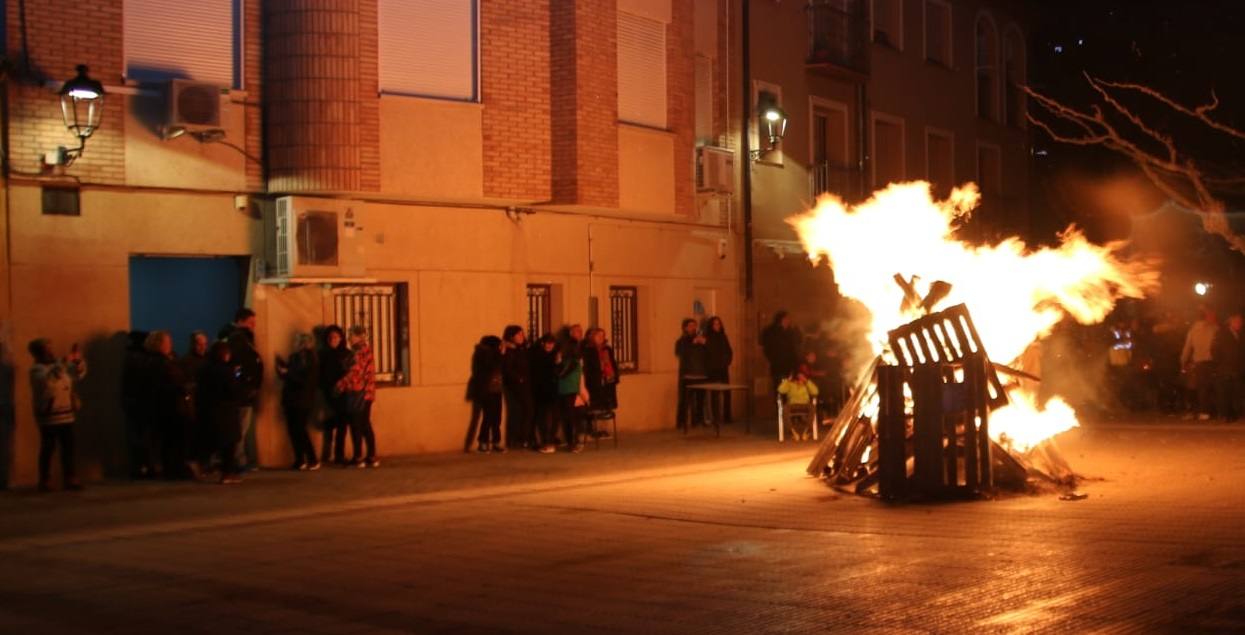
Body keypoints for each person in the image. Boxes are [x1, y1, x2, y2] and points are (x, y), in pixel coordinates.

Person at [28, 338, 86, 491]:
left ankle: (70, 477)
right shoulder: (37, 370)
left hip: (67, 414)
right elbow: (49, 381)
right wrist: (64, 362)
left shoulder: (58, 366)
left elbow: (77, 374)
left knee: (68, 448)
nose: (50, 351)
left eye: (50, 348)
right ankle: (45, 479)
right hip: (49, 416)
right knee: (48, 448)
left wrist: (77, 360)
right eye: (46, 349)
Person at [146, 331, 193, 479]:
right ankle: (174, 469)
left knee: (171, 440)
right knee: (173, 441)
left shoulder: (159, 361)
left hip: (168, 406)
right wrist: (185, 387)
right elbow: (170, 383)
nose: (170, 345)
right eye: (167, 342)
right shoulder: (161, 363)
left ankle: (172, 468)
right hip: (171, 407)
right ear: (159, 344)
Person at [197, 341, 246, 484]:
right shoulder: (225, 371)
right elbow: (234, 391)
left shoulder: (204, 369)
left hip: (208, 410)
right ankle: (227, 473)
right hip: (226, 411)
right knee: (229, 444)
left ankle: (203, 467)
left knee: (210, 441)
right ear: (224, 354)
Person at [223, 308, 263, 470]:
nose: (253, 326)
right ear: (240, 321)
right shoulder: (238, 339)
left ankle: (240, 459)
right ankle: (238, 461)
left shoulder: (239, 338)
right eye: (250, 322)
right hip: (243, 393)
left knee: (241, 428)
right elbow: (241, 365)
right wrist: (247, 383)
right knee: (240, 428)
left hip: (245, 391)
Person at [277, 333, 321, 470]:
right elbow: (289, 376)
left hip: (302, 400)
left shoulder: (311, 360)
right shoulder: (295, 357)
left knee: (300, 430)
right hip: (291, 399)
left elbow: (305, 381)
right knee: (294, 430)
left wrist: (287, 372)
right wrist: (282, 370)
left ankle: (312, 459)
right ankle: (300, 459)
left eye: (300, 342)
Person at [336, 325, 378, 467]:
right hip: (368, 392)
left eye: (351, 335)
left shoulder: (358, 351)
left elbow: (355, 372)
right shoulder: (366, 350)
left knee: (356, 425)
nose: (349, 338)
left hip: (358, 392)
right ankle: (371, 456)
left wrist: (340, 385)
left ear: (359, 336)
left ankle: (358, 456)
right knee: (365, 424)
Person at [121, 330, 155, 479]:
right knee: (142, 437)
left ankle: (139, 467)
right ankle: (143, 467)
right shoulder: (142, 359)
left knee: (135, 436)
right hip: (140, 402)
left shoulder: (130, 358)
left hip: (132, 402)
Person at [319, 325, 352, 465]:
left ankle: (338, 454)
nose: (333, 340)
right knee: (340, 422)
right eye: (331, 337)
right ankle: (337, 455)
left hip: (344, 392)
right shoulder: (324, 354)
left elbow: (351, 372)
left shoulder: (346, 353)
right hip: (330, 393)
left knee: (342, 423)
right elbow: (321, 374)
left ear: (341, 338)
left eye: (336, 337)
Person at [468, 335, 505, 453]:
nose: (501, 347)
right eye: (499, 345)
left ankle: (495, 441)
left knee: (497, 417)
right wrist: (500, 353)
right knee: (488, 416)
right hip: (486, 390)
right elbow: (491, 366)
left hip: (497, 389)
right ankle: (483, 442)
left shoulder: (494, 354)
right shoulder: (483, 354)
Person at [555, 326, 589, 453]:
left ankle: (576, 442)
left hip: (572, 391)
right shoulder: (571, 361)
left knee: (574, 417)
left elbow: (562, 374)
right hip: (566, 390)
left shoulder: (573, 362)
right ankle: (572, 442)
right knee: (569, 417)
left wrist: (582, 391)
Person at [1181, 307, 1219, 420]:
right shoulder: (1214, 329)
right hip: (1211, 361)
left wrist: (1183, 361)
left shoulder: (1193, 330)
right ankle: (1206, 411)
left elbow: (1187, 348)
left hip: (1198, 362)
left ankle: (1194, 411)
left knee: (1196, 387)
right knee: (1208, 388)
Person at [180, 331, 210, 474]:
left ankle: (204, 463)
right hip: (193, 405)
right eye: (200, 344)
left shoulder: (208, 360)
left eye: (205, 344)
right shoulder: (186, 362)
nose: (203, 347)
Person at [501, 325, 535, 450]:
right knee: (521, 411)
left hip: (526, 384)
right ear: (511, 336)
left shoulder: (523, 349)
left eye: (522, 334)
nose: (522, 336)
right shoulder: (510, 351)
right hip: (517, 386)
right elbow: (507, 369)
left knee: (526, 411)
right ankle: (518, 439)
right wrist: (519, 379)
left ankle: (523, 438)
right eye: (519, 334)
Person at [582, 327, 620, 438]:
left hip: (608, 380)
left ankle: (603, 430)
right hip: (594, 381)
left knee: (606, 405)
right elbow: (587, 368)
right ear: (593, 337)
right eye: (599, 336)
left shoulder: (607, 349)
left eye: (603, 336)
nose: (601, 338)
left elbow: (612, 363)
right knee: (593, 405)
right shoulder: (588, 350)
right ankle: (591, 430)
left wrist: (614, 376)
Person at [529, 333, 560, 454]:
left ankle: (550, 440)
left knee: (554, 416)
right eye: (547, 343)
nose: (549, 346)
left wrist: (557, 363)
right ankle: (545, 441)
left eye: (552, 343)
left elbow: (557, 372)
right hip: (541, 390)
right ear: (542, 344)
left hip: (552, 390)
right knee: (544, 417)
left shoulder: (554, 355)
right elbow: (539, 372)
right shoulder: (537, 355)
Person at [674, 318, 708, 428]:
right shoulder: (681, 341)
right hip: (687, 375)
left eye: (695, 325)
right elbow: (680, 353)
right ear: (685, 328)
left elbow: (708, 353)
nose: (693, 328)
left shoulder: (701, 340)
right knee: (684, 400)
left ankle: (698, 420)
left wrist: (704, 343)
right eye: (691, 325)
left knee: (700, 400)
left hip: (701, 374)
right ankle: (681, 422)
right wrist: (692, 344)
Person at [1213, 313, 1244, 422]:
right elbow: (1216, 351)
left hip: (1237, 368)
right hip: (1225, 367)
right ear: (1231, 322)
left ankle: (1233, 414)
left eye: (1241, 322)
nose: (1240, 324)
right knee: (1225, 392)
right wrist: (1221, 363)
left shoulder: (1239, 335)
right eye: (1238, 322)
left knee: (1235, 393)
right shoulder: (1223, 334)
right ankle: (1225, 414)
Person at [761, 311, 802, 393]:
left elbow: (797, 344)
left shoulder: (790, 331)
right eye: (787, 318)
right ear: (782, 319)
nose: (789, 321)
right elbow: (769, 348)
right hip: (779, 366)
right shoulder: (773, 333)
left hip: (789, 366)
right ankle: (780, 405)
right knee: (780, 389)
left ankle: (785, 404)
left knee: (789, 390)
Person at [702, 316, 733, 424]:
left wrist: (727, 361)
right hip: (713, 368)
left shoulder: (723, 336)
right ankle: (716, 417)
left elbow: (729, 350)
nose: (717, 326)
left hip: (723, 368)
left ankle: (727, 416)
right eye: (715, 324)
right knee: (714, 394)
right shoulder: (708, 338)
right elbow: (710, 352)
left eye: (718, 324)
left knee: (727, 392)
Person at [778, 369, 820, 441]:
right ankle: (793, 432)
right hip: (792, 404)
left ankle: (806, 432)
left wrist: (806, 381)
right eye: (799, 376)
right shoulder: (790, 384)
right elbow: (780, 390)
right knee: (784, 408)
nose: (800, 378)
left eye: (802, 376)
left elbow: (815, 392)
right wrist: (788, 380)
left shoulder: (806, 384)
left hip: (805, 404)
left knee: (812, 407)